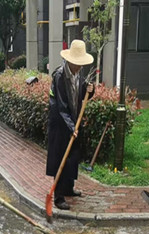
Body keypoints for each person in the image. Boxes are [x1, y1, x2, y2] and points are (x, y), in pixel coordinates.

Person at [46, 39, 94, 210]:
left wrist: (90, 90)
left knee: (72, 157)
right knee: (61, 158)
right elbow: (60, 106)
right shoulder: (59, 76)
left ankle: (68, 188)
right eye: (78, 63)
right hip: (60, 124)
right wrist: (71, 127)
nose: (80, 66)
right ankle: (58, 197)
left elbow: (81, 94)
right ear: (71, 61)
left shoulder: (78, 73)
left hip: (73, 121)